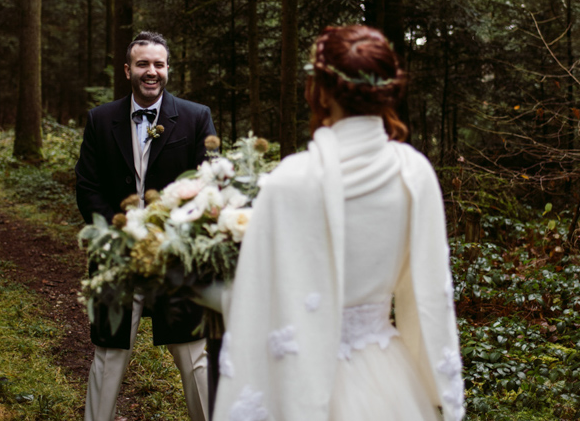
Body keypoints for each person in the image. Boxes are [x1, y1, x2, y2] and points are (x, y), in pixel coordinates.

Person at [211, 25, 465, 421]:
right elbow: (430, 298)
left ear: (322, 90)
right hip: (388, 383)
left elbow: (256, 299)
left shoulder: (290, 180)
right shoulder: (415, 174)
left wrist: (197, 290)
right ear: (387, 91)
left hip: (302, 375)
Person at [75, 30, 216, 421]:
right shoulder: (100, 119)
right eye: (142, 64)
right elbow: (87, 187)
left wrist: (172, 237)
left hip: (177, 256)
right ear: (127, 70)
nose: (151, 71)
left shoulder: (195, 116)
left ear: (168, 68)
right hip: (117, 256)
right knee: (109, 354)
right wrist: (118, 236)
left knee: (194, 355)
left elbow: (207, 188)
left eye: (158, 64)